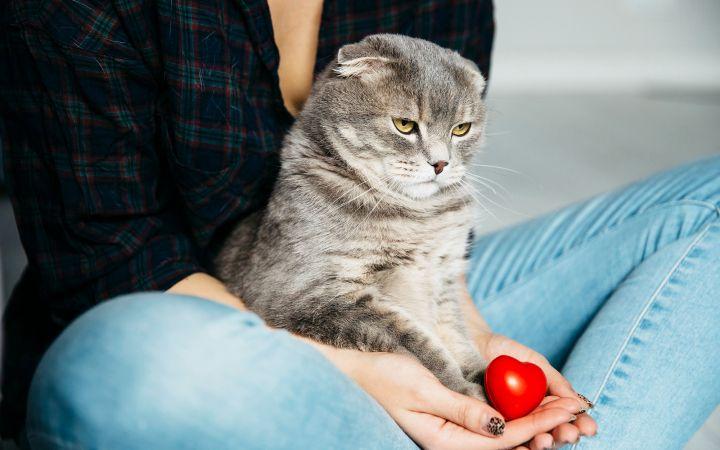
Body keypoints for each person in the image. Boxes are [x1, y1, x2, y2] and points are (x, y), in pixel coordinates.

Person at [0, 0, 717, 448]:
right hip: (220, 329)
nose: (440, 158)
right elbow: (111, 260)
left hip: (402, 293)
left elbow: (440, 224)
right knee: (130, 366)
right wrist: (386, 379)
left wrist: (474, 345)